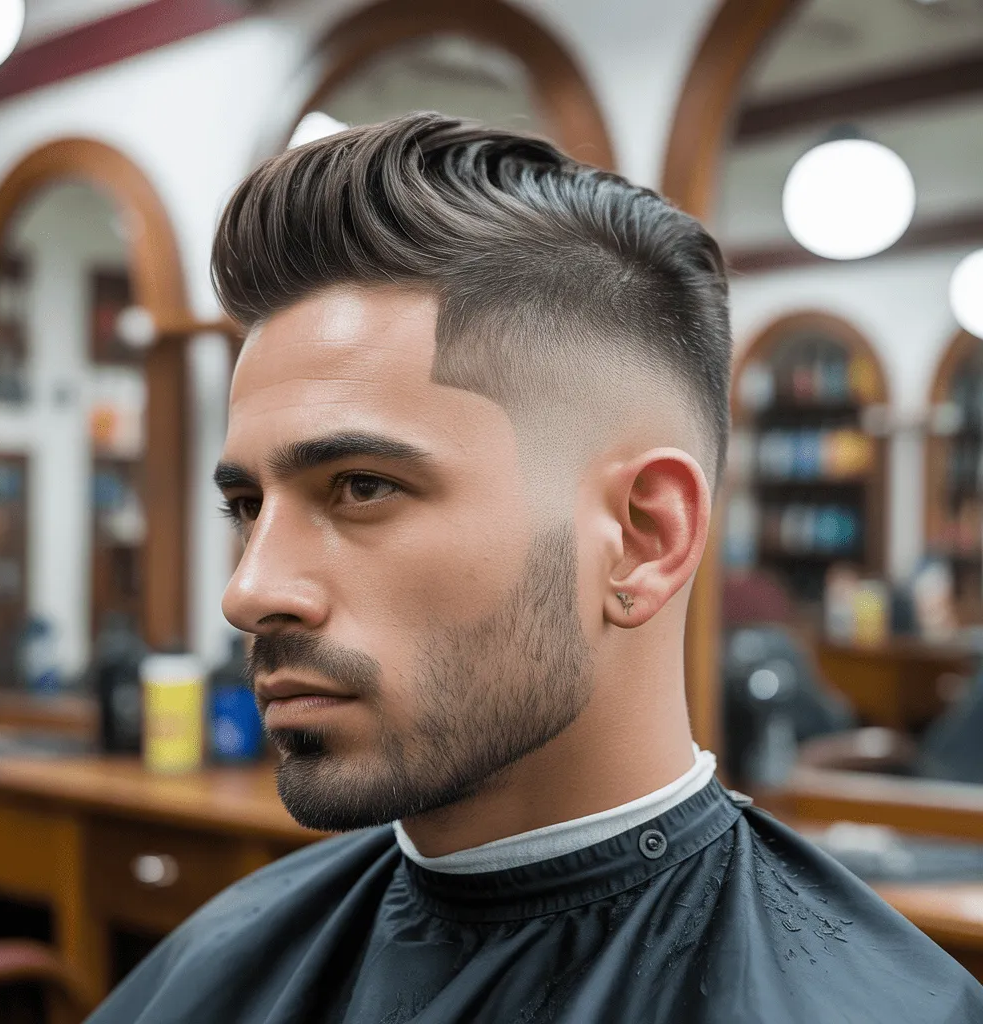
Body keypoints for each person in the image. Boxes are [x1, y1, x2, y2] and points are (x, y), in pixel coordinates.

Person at [87, 113, 983, 1023]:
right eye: (247, 507)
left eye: (362, 486)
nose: (248, 592)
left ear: (643, 538)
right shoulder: (224, 952)